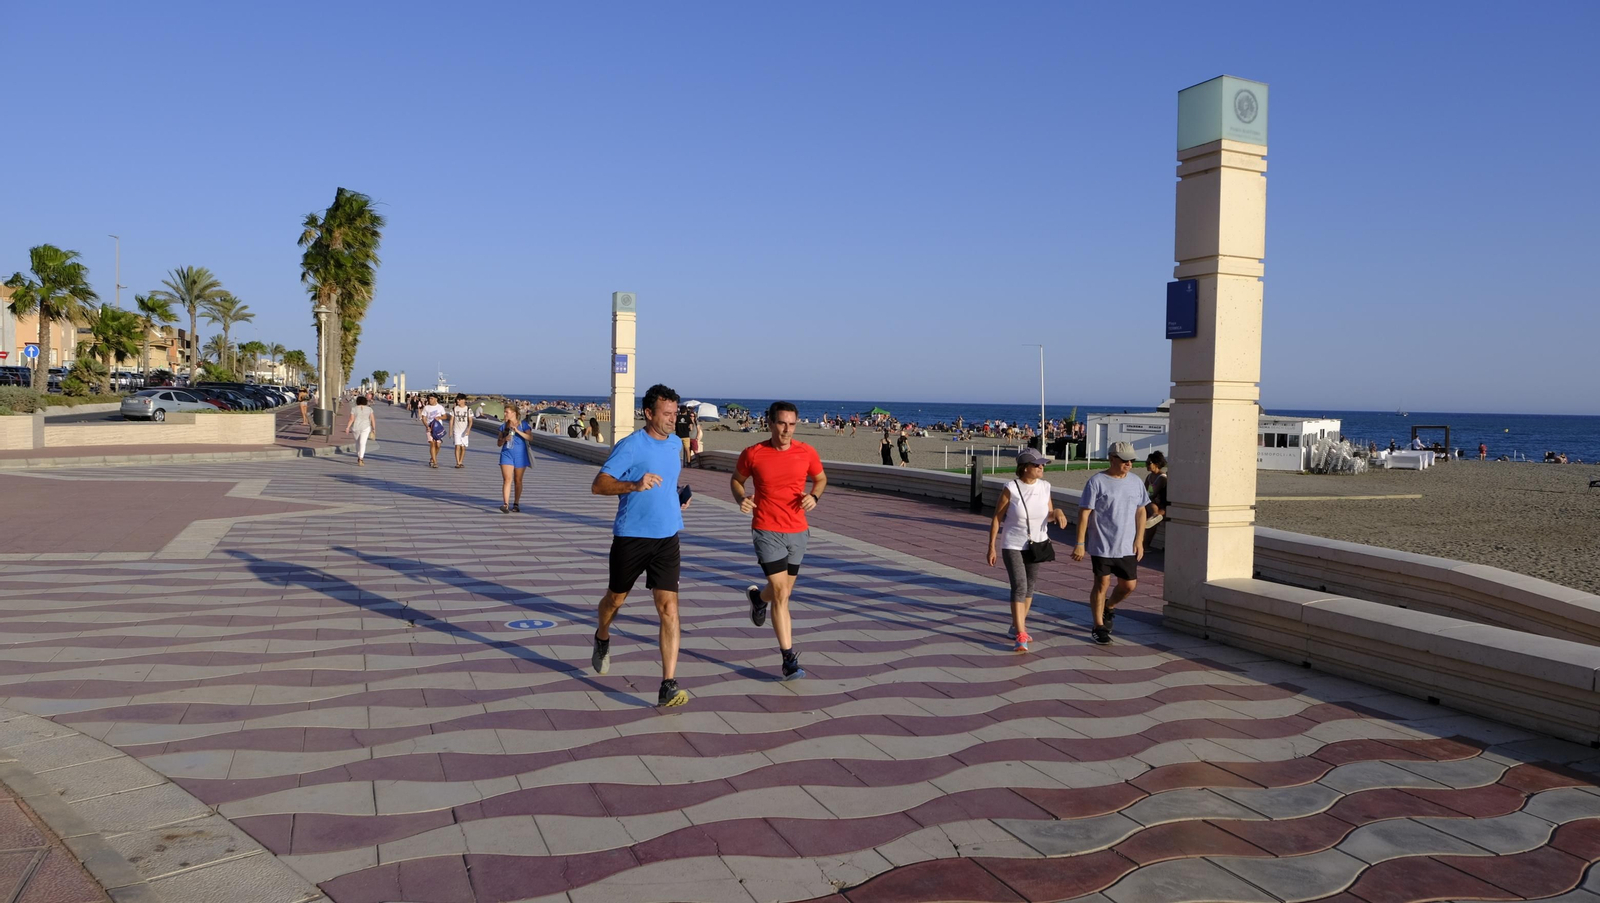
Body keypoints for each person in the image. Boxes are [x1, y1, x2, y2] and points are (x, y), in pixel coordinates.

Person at [590, 384, 694, 708]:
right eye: (666, 414)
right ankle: (602, 635)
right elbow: (599, 484)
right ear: (648, 413)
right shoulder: (631, 446)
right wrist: (634, 484)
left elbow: (665, 482)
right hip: (632, 537)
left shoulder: (676, 443)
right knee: (614, 600)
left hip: (667, 537)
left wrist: (676, 501)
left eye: (675, 414)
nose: (672, 420)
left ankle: (668, 684)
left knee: (669, 610)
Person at [731, 401, 827, 681]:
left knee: (781, 592)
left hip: (798, 530)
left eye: (792, 424)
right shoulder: (753, 453)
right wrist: (742, 498)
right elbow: (736, 480)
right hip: (766, 528)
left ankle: (758, 599)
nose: (787, 430)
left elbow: (820, 479)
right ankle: (788, 659)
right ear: (770, 423)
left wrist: (814, 496)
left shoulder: (806, 452)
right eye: (782, 423)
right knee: (782, 593)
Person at [986, 447, 1068, 652]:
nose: (1041, 467)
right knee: (1020, 586)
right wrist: (991, 547)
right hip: (1013, 544)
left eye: (1042, 464)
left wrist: (1057, 512)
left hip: (1037, 543)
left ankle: (1017, 625)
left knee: (1030, 586)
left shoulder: (1045, 487)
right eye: (1037, 464)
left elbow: (1047, 514)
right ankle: (1021, 635)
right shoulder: (1011, 488)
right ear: (1024, 468)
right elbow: (997, 518)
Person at [1072, 441, 1149, 645]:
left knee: (1129, 585)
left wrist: (1139, 540)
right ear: (1112, 458)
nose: (1129, 464)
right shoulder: (1097, 481)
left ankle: (1110, 606)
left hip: (1127, 545)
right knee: (1102, 583)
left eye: (1132, 460)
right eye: (1125, 460)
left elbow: (1141, 510)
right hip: (1102, 544)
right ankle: (1098, 626)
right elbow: (1084, 512)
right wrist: (1080, 542)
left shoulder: (1135, 482)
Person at [497, 401, 533, 512]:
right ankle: (505, 504)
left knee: (518, 480)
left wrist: (518, 431)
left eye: (507, 412)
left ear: (514, 413)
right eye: (504, 412)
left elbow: (530, 438)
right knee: (507, 479)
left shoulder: (523, 425)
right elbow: (498, 443)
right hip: (506, 454)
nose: (505, 414)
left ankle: (516, 504)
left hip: (520, 455)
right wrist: (504, 439)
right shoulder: (503, 426)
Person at [344, 395, 376, 466]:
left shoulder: (354, 409)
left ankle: (360, 457)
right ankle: (360, 457)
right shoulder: (369, 409)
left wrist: (348, 427)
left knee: (358, 443)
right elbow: (372, 419)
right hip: (366, 427)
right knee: (362, 443)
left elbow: (351, 419)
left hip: (356, 427)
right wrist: (374, 428)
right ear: (365, 402)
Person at [1143, 451, 1168, 533]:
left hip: (1159, 502)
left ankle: (1155, 515)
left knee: (1150, 504)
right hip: (1151, 500)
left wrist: (1147, 498)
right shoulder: (1149, 477)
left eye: (1148, 463)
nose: (1146, 465)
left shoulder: (1162, 478)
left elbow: (1154, 494)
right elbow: (1144, 490)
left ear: (1156, 464)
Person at [420, 394, 447, 468]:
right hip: (430, 428)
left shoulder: (440, 407)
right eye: (429, 399)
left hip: (438, 428)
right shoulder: (426, 407)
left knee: (438, 445)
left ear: (436, 399)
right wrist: (427, 426)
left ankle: (432, 457)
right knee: (432, 443)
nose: (429, 400)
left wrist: (439, 417)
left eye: (431, 399)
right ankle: (435, 462)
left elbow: (445, 416)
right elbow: (423, 417)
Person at [449, 393, 473, 469]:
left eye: (459, 399)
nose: (458, 400)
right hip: (456, 430)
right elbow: (451, 420)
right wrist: (450, 430)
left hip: (464, 431)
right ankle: (457, 462)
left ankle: (461, 461)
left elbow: (470, 421)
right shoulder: (454, 409)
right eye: (457, 399)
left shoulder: (468, 409)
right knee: (457, 446)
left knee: (463, 447)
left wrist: (468, 429)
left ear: (463, 400)